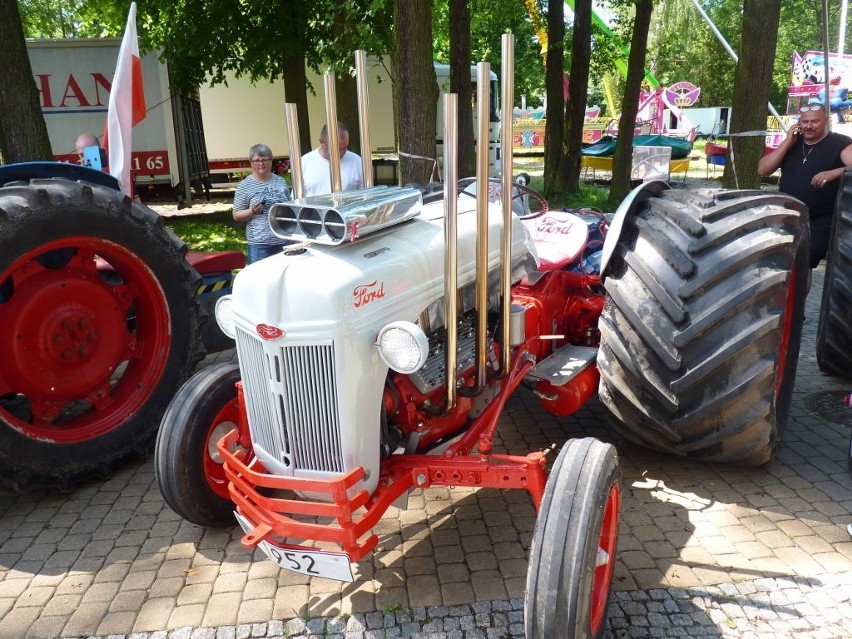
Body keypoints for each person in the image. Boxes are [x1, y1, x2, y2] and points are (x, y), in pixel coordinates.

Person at [758, 103, 852, 268]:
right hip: (786, 214)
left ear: (826, 120)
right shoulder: (792, 142)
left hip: (818, 220)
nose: (808, 126)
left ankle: (799, 295)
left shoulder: (839, 142)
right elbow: (763, 170)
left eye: (814, 121)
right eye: (804, 121)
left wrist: (834, 172)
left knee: (803, 265)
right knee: (778, 263)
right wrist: (787, 142)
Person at [233, 143, 291, 264]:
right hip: (259, 244)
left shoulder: (280, 181)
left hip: (284, 240)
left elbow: (290, 208)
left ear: (271, 161)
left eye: (265, 160)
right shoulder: (244, 185)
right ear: (251, 163)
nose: (261, 163)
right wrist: (252, 211)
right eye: (257, 160)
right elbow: (236, 215)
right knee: (259, 281)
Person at [301, 121, 364, 196]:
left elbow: (366, 197)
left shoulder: (357, 161)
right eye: (336, 149)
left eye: (345, 147)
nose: (341, 153)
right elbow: (298, 200)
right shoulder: (304, 162)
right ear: (322, 142)